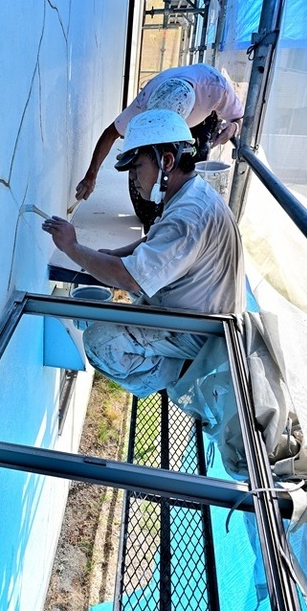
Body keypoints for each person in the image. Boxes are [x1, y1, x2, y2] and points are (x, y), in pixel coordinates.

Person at [43, 109, 246, 397]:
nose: (134, 179)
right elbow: (154, 239)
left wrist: (73, 248)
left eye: (137, 167)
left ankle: (181, 373)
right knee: (128, 285)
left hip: (202, 334)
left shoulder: (188, 217)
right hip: (199, 314)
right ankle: (171, 360)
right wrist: (115, 254)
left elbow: (131, 278)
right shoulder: (191, 193)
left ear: (167, 161)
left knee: (101, 343)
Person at [76, 64, 245, 231]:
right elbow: (110, 133)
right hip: (162, 111)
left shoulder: (216, 87)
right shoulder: (145, 102)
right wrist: (91, 176)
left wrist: (233, 128)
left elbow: (239, 118)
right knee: (145, 209)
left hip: (202, 122)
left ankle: (176, 211)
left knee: (187, 173)